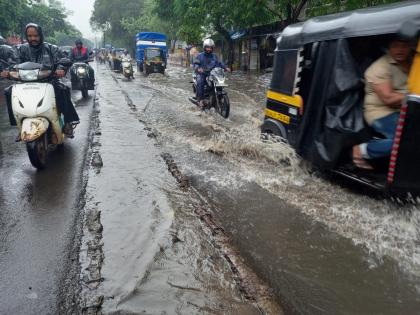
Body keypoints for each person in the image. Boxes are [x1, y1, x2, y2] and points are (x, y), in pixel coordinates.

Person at [2, 23, 79, 138]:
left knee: (63, 89)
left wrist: (61, 68)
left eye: (36, 35)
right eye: (30, 36)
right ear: (26, 36)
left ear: (41, 35)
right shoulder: (20, 49)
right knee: (9, 91)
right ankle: (18, 125)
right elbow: (13, 63)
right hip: (25, 83)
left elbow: (63, 59)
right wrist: (7, 71)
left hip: (49, 81)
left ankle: (68, 122)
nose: (33, 38)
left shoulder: (51, 48)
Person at [353, 36, 412, 169]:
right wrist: (413, 96)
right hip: (381, 112)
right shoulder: (379, 68)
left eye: (404, 46)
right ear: (389, 47)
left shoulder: (413, 60)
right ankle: (362, 150)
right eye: (396, 45)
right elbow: (389, 99)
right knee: (407, 139)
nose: (400, 50)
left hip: (408, 108)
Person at [193, 38, 230, 108]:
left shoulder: (215, 56)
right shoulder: (200, 56)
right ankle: (200, 100)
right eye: (207, 47)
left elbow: (220, 63)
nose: (209, 49)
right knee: (200, 81)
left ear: (212, 48)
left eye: (210, 47)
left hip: (212, 74)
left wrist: (225, 68)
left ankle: (217, 98)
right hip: (202, 74)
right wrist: (198, 68)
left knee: (220, 82)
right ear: (204, 47)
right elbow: (195, 64)